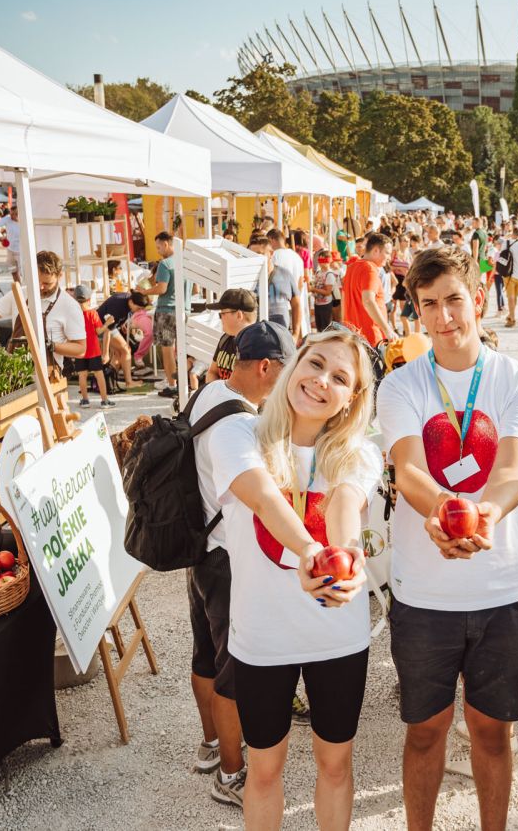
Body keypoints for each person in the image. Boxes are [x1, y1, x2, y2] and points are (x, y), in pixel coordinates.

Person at [377, 244, 518, 831]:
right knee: (424, 732)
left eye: (453, 299)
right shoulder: (399, 386)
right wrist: (442, 513)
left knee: (493, 733)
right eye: (430, 305)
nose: (445, 316)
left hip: (503, 589)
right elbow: (409, 470)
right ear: (416, 313)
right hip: (425, 596)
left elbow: (511, 472)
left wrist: (486, 517)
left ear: (476, 297)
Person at [206, 325, 379, 830]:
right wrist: (309, 552)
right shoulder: (239, 433)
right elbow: (262, 496)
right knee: (264, 768)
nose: (322, 380)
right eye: (316, 364)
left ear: (352, 398)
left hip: (338, 636)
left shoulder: (358, 450)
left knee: (335, 763)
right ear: (294, 364)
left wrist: (345, 553)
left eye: (340, 377)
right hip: (262, 637)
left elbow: (346, 501)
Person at [189, 321, 294, 807]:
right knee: (233, 670)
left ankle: (212, 746)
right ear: (266, 367)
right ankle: (231, 774)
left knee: (205, 655)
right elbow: (261, 500)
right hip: (228, 556)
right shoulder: (242, 425)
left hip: (200, 548)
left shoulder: (211, 392)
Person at [0, 250, 86, 367]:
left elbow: (80, 349)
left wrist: (52, 346)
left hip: (48, 376)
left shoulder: (69, 306)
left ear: (60, 276)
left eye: (47, 283)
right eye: (37, 281)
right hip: (15, 372)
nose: (40, 287)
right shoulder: (19, 294)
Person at [137, 231, 182, 397]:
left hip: (166, 310)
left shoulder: (165, 264)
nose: (157, 250)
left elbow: (162, 288)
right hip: (182, 310)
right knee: (180, 350)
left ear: (166, 244)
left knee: (167, 350)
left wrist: (145, 291)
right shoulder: (184, 262)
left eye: (158, 247)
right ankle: (180, 382)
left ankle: (172, 385)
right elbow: (196, 289)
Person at [342, 233, 395, 347]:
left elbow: (344, 299)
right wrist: (387, 330)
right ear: (376, 250)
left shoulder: (352, 267)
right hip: (370, 337)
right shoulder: (370, 269)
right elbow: (368, 301)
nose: (389, 257)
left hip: (353, 335)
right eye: (387, 253)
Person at [204, 288, 258, 384]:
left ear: (239, 315)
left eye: (222, 314)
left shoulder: (258, 344)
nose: (220, 319)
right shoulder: (226, 338)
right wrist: (217, 394)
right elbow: (212, 372)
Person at [71, 285, 112, 409]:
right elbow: (99, 331)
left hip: (79, 350)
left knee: (82, 375)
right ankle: (104, 401)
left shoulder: (73, 315)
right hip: (93, 350)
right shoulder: (92, 313)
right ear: (89, 300)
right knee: (99, 374)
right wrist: (108, 323)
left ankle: (85, 400)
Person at [98, 289, 149, 388]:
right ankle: (128, 382)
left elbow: (119, 318)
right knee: (126, 350)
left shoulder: (128, 299)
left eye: (141, 309)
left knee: (118, 354)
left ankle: (109, 381)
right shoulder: (118, 305)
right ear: (131, 302)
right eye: (138, 308)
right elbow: (108, 330)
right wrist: (105, 353)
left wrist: (121, 324)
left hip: (107, 325)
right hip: (102, 326)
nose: (138, 311)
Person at [312, 250, 340, 331]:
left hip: (326, 304)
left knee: (325, 328)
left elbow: (328, 292)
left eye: (323, 260)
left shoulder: (329, 274)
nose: (320, 263)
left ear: (328, 261)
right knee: (319, 327)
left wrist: (314, 289)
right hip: (317, 303)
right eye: (319, 260)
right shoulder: (318, 273)